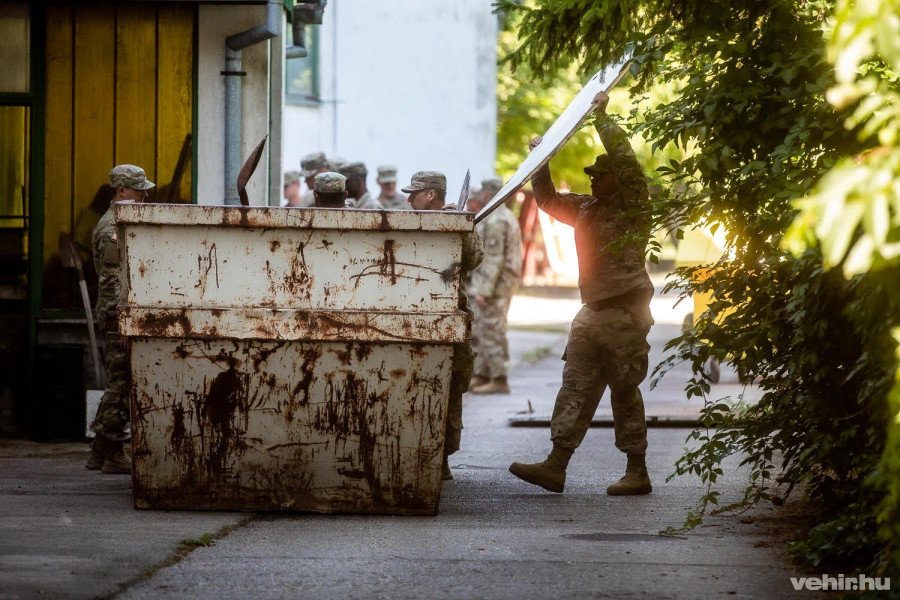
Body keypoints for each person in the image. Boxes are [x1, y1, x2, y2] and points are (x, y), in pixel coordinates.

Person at [509, 91, 655, 496]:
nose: (593, 178)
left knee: (624, 391)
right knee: (575, 385)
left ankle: (636, 471)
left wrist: (601, 119)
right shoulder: (588, 208)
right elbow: (549, 200)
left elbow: (627, 165)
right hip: (591, 312)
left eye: (599, 174)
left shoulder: (633, 206)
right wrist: (541, 161)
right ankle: (556, 465)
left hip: (626, 313)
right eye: (590, 174)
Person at [403, 171, 483, 480]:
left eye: (415, 193)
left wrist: (463, 226)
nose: (409, 199)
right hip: (414, 318)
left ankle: (444, 458)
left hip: (449, 318)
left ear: (432, 195)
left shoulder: (455, 223)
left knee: (450, 389)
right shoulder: (408, 223)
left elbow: (475, 258)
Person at [85, 164, 155, 474]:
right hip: (116, 315)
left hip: (117, 313)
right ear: (122, 190)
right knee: (122, 382)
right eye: (139, 189)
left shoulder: (121, 223)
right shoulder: (111, 229)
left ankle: (100, 449)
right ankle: (112, 450)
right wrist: (120, 317)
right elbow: (112, 280)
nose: (144, 195)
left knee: (119, 380)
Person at [466, 177, 523, 394]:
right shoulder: (500, 216)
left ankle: (499, 379)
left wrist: (484, 291)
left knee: (492, 329)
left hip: (497, 285)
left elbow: (493, 259)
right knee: (484, 327)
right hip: (499, 283)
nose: (480, 196)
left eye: (483, 192)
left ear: (488, 194)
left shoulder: (497, 220)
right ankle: (482, 374)